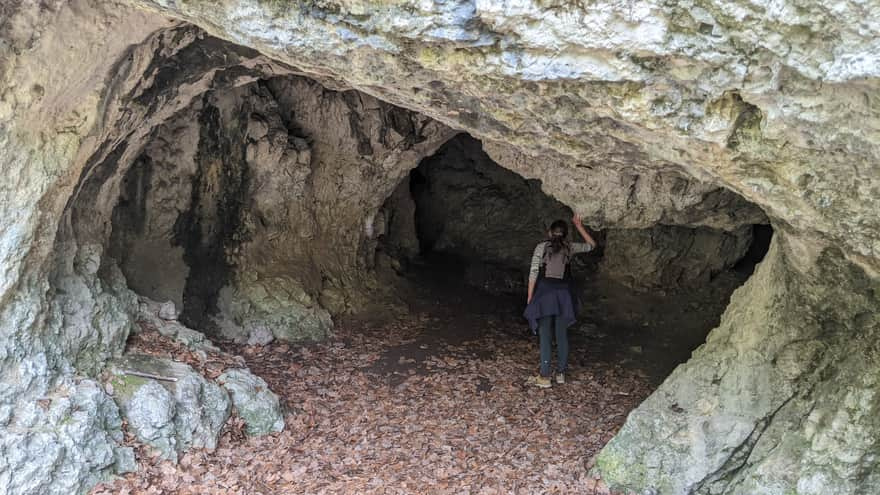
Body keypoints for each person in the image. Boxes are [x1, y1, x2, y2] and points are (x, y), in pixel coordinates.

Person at [523, 214, 596, 388]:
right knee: (561, 335)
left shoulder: (541, 247)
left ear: (550, 233)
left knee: (545, 334)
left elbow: (533, 272)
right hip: (563, 295)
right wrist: (579, 226)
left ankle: (545, 376)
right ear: (565, 234)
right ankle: (561, 373)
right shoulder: (570, 247)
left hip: (545, 294)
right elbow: (592, 246)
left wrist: (530, 297)